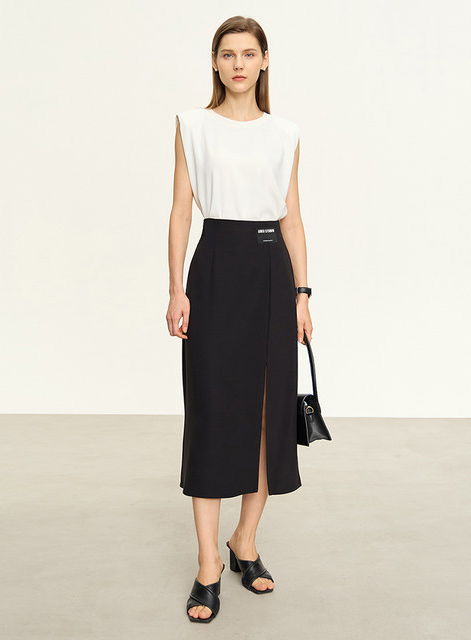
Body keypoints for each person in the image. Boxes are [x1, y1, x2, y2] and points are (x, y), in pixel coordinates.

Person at [166, 15, 313, 623]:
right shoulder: (192, 126)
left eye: (248, 54)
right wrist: (176, 288)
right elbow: (181, 211)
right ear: (214, 62)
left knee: (265, 416)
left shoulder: (285, 133)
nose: (238, 65)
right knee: (210, 411)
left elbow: (292, 217)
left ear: (265, 60)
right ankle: (208, 565)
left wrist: (302, 293)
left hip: (272, 275)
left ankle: (243, 542)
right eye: (227, 54)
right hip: (215, 271)